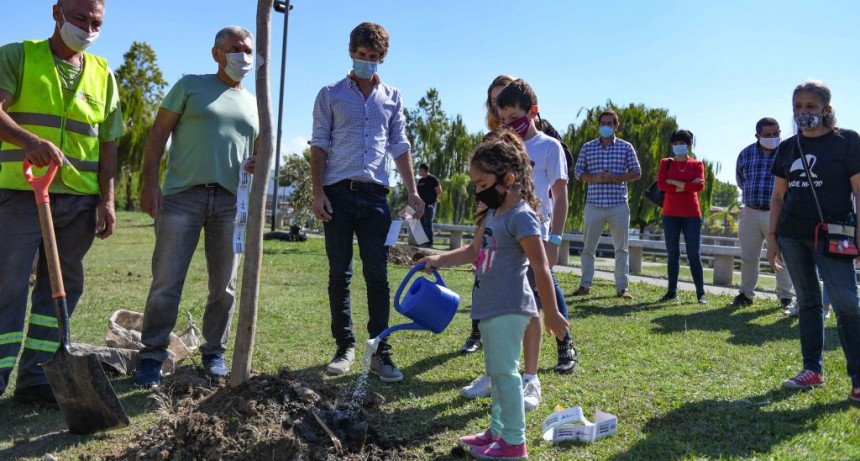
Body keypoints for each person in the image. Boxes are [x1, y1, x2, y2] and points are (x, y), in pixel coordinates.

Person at [0, 0, 123, 405]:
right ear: (57, 13)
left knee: (63, 287)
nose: (88, 27)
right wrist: (29, 142)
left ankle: (37, 377)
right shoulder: (18, 55)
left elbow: (108, 143)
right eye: (80, 18)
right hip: (21, 192)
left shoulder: (103, 74)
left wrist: (107, 199)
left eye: (96, 22)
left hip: (78, 201)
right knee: (8, 284)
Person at [419, 132, 569, 460]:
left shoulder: (522, 216)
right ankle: (497, 431)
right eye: (475, 184)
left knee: (505, 375)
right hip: (489, 307)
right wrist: (438, 259)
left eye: (482, 182)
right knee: (498, 371)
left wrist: (554, 313)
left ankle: (514, 443)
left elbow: (542, 268)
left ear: (508, 178)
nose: (477, 190)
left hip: (511, 306)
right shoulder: (492, 214)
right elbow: (474, 251)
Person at [133, 26, 259, 388]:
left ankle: (215, 352)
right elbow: (157, 135)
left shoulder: (254, 102)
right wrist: (149, 183)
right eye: (235, 48)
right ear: (216, 53)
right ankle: (152, 356)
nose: (243, 56)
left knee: (225, 285)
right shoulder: (190, 85)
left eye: (248, 50)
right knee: (167, 281)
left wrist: (256, 161)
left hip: (230, 202)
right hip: (182, 196)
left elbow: (260, 150)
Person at [310, 22, 424, 383]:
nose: (367, 62)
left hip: (376, 198)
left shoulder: (392, 97)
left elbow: (400, 146)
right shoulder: (330, 94)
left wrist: (413, 190)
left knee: (378, 275)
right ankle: (344, 346)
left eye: (374, 57)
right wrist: (317, 192)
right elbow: (319, 145)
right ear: (351, 52)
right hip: (337, 194)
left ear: (382, 58)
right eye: (362, 56)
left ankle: (380, 350)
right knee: (339, 274)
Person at [460, 78, 578, 414]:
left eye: (516, 116)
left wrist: (554, 238)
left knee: (530, 307)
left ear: (533, 112)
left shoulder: (549, 147)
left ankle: (530, 378)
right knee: (497, 304)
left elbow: (561, 195)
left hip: (532, 232)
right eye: (504, 117)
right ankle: (494, 373)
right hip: (500, 232)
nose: (511, 124)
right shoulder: (502, 146)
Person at [768, 80, 860, 403]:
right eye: (797, 106)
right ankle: (812, 370)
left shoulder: (847, 141)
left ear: (826, 109)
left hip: (835, 236)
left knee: (847, 304)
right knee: (807, 302)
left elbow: (859, 191)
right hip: (793, 235)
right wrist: (773, 237)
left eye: (810, 106)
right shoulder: (787, 148)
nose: (802, 112)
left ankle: (858, 380)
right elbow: (778, 197)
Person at [572, 110, 641, 298]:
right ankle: (585, 285)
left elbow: (636, 172)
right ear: (599, 124)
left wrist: (616, 178)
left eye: (610, 123)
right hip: (594, 204)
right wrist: (593, 177)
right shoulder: (588, 147)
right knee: (588, 248)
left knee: (621, 248)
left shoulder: (626, 147)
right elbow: (578, 172)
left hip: (618, 204)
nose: (606, 126)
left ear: (616, 126)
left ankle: (622, 288)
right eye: (603, 122)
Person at [733, 118, 794, 309]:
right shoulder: (745, 154)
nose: (773, 137)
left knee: (780, 255)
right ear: (757, 135)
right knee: (748, 256)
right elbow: (741, 180)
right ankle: (745, 294)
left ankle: (785, 296)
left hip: (777, 213)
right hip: (750, 211)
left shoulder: (787, 153)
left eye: (776, 133)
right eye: (767, 135)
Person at [656, 130, 707, 304]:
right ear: (672, 145)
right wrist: (686, 185)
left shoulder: (697, 165)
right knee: (673, 254)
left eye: (682, 143)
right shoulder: (666, 163)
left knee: (694, 254)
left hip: (692, 214)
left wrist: (675, 182)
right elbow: (662, 184)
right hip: (670, 214)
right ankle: (672, 291)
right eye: (676, 143)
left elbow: (699, 187)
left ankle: (701, 293)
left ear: (689, 145)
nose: (678, 146)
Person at [416, 163, 441, 248]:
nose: (419, 171)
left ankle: (430, 243)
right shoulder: (420, 181)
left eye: (420, 169)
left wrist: (435, 199)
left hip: (430, 205)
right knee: (422, 223)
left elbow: (439, 190)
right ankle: (423, 242)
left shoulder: (432, 179)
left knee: (428, 223)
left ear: (423, 170)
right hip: (421, 206)